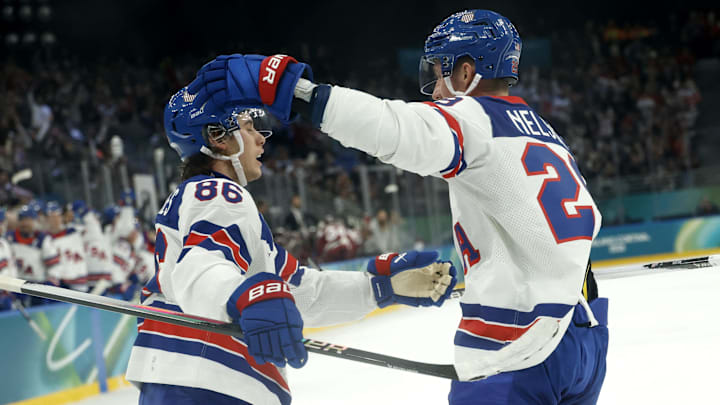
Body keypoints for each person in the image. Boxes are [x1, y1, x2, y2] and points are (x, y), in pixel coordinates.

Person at [188, 9, 608, 404]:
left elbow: (394, 129)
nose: (436, 89)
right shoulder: (544, 132)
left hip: (519, 350)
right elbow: (587, 221)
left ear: (467, 71)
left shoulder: (471, 116)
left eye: (441, 72)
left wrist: (300, 93)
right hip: (583, 338)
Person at [124, 89, 457, 405]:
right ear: (218, 137)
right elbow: (200, 265)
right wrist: (244, 296)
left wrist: (379, 288)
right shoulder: (219, 192)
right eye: (248, 126)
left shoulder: (213, 203)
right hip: (208, 381)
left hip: (197, 381)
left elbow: (301, 290)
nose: (260, 138)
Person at [45, 201, 89, 291]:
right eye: (51, 217)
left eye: (57, 216)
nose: (55, 220)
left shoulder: (76, 231)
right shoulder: (45, 239)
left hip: (81, 282)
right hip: (61, 284)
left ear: (62, 217)